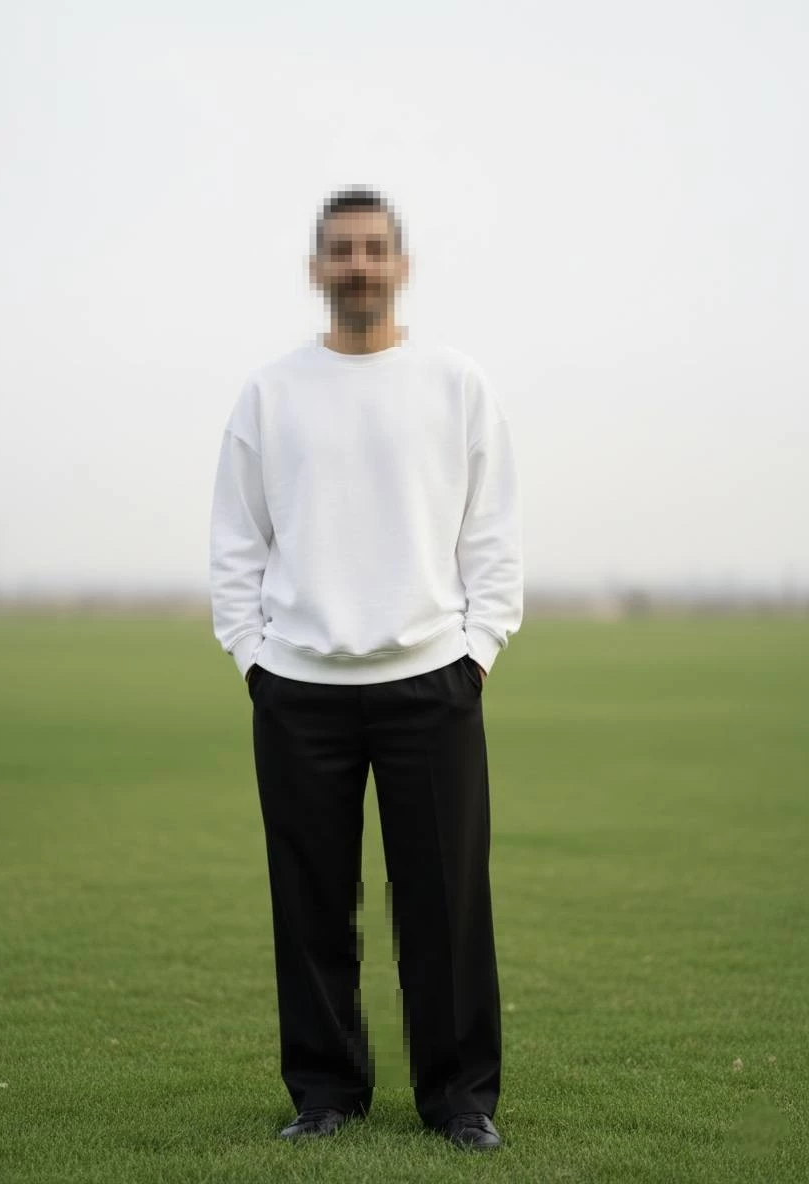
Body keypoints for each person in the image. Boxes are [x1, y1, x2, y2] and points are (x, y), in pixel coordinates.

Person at [209, 186, 524, 1151]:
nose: (357, 265)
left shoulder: (455, 383)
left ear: (401, 265)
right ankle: (326, 1095)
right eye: (339, 251)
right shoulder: (269, 392)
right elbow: (236, 545)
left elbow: (493, 534)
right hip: (298, 685)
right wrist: (256, 661)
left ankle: (460, 1101)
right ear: (316, 270)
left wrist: (477, 652)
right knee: (309, 907)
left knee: (446, 907)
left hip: (432, 679)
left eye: (373, 249)